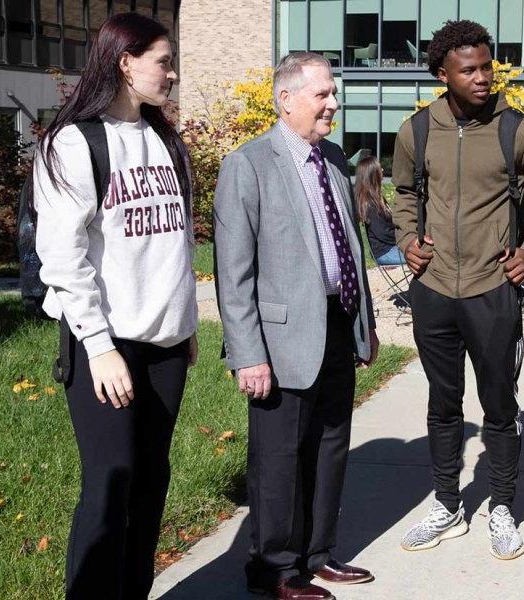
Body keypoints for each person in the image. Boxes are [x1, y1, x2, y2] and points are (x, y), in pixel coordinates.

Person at [33, 12, 197, 599]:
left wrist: (186, 325)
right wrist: (99, 349)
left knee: (151, 482)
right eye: (163, 62)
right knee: (110, 484)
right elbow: (61, 258)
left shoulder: (164, 139)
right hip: (107, 345)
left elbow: (175, 242)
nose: (172, 74)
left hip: (167, 347)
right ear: (124, 62)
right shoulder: (74, 143)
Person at [391, 20, 524, 561]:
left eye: (488, 66)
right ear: (443, 74)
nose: (484, 77)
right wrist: (407, 239)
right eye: (470, 70)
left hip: (493, 289)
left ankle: (503, 507)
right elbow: (400, 195)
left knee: (499, 405)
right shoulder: (415, 131)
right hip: (434, 289)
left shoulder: (521, 131)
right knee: (443, 405)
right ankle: (447, 505)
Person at [213, 52, 378, 600]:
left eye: (334, 93)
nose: (335, 103)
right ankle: (275, 570)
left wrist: (365, 324)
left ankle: (317, 555)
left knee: (331, 445)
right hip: (279, 340)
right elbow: (233, 274)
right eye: (324, 94)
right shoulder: (249, 164)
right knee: (279, 459)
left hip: (336, 323)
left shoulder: (331, 158)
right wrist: (247, 353)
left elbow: (348, 247)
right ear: (286, 100)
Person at [354, 155, 403, 265]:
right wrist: (402, 238)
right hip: (385, 252)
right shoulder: (370, 203)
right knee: (423, 258)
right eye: (379, 168)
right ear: (373, 174)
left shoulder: (376, 197)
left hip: (391, 247)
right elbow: (382, 233)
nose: (382, 170)